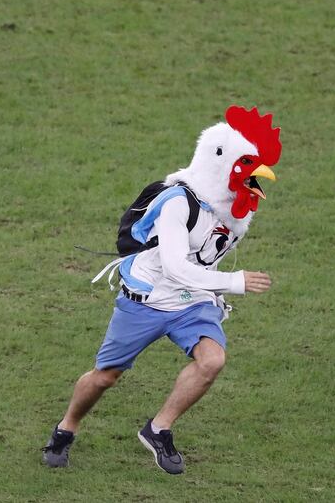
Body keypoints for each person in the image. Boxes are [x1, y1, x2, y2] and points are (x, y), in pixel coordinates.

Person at [42, 105, 282, 473]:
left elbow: (201, 264)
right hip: (148, 299)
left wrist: (214, 292)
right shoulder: (176, 202)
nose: (260, 177)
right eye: (249, 166)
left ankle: (159, 429)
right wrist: (235, 282)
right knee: (105, 376)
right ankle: (66, 428)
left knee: (213, 360)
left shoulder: (233, 211)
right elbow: (175, 267)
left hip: (192, 301)